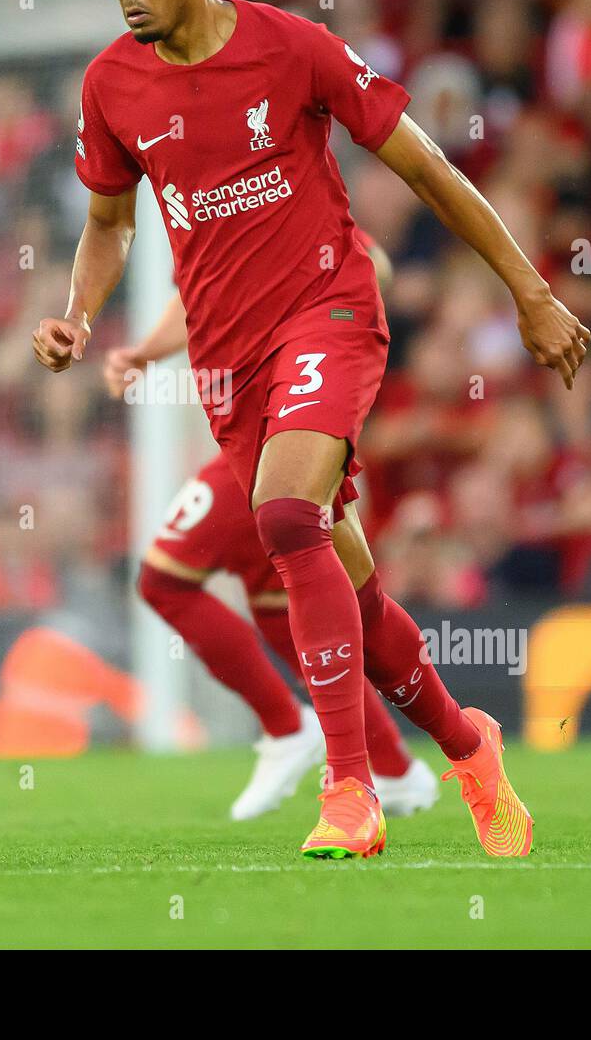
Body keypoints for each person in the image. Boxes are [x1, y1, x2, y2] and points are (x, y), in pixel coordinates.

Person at [34, 0, 589, 858]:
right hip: (228, 359)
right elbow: (108, 225)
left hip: (330, 311)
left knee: (284, 517)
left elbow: (427, 172)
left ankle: (348, 789)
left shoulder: (292, 48)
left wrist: (529, 293)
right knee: (349, 585)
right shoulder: (110, 86)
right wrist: (76, 316)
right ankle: (466, 745)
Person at [105, 237, 437, 823]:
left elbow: (374, 265)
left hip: (276, 443)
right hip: (252, 436)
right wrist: (144, 354)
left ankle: (288, 728)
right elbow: (193, 301)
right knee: (280, 612)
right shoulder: (209, 207)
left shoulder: (276, 201)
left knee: (164, 580)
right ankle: (395, 769)